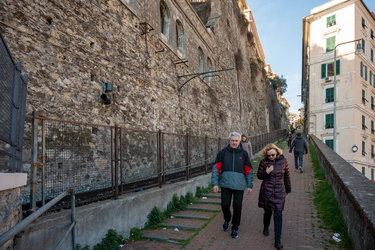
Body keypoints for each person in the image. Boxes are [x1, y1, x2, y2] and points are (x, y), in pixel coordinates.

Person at [212, 132, 253, 239]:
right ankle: (227, 219)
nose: (234, 142)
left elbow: (248, 170)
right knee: (225, 205)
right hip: (225, 183)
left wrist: (250, 185)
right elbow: (216, 169)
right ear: (229, 141)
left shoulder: (244, 154)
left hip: (239, 185)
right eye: (232, 140)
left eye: (236, 140)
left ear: (239, 141)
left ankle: (235, 227)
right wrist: (215, 183)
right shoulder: (222, 153)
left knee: (237, 206)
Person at [257, 143, 291, 249]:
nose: (271, 157)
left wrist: (288, 190)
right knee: (267, 212)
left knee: (278, 215)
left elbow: (287, 176)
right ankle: (266, 227)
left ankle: (277, 240)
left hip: (279, 192)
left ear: (277, 152)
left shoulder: (283, 161)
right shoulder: (263, 162)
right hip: (267, 191)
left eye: (273, 155)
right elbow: (259, 176)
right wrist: (266, 172)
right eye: (269, 155)